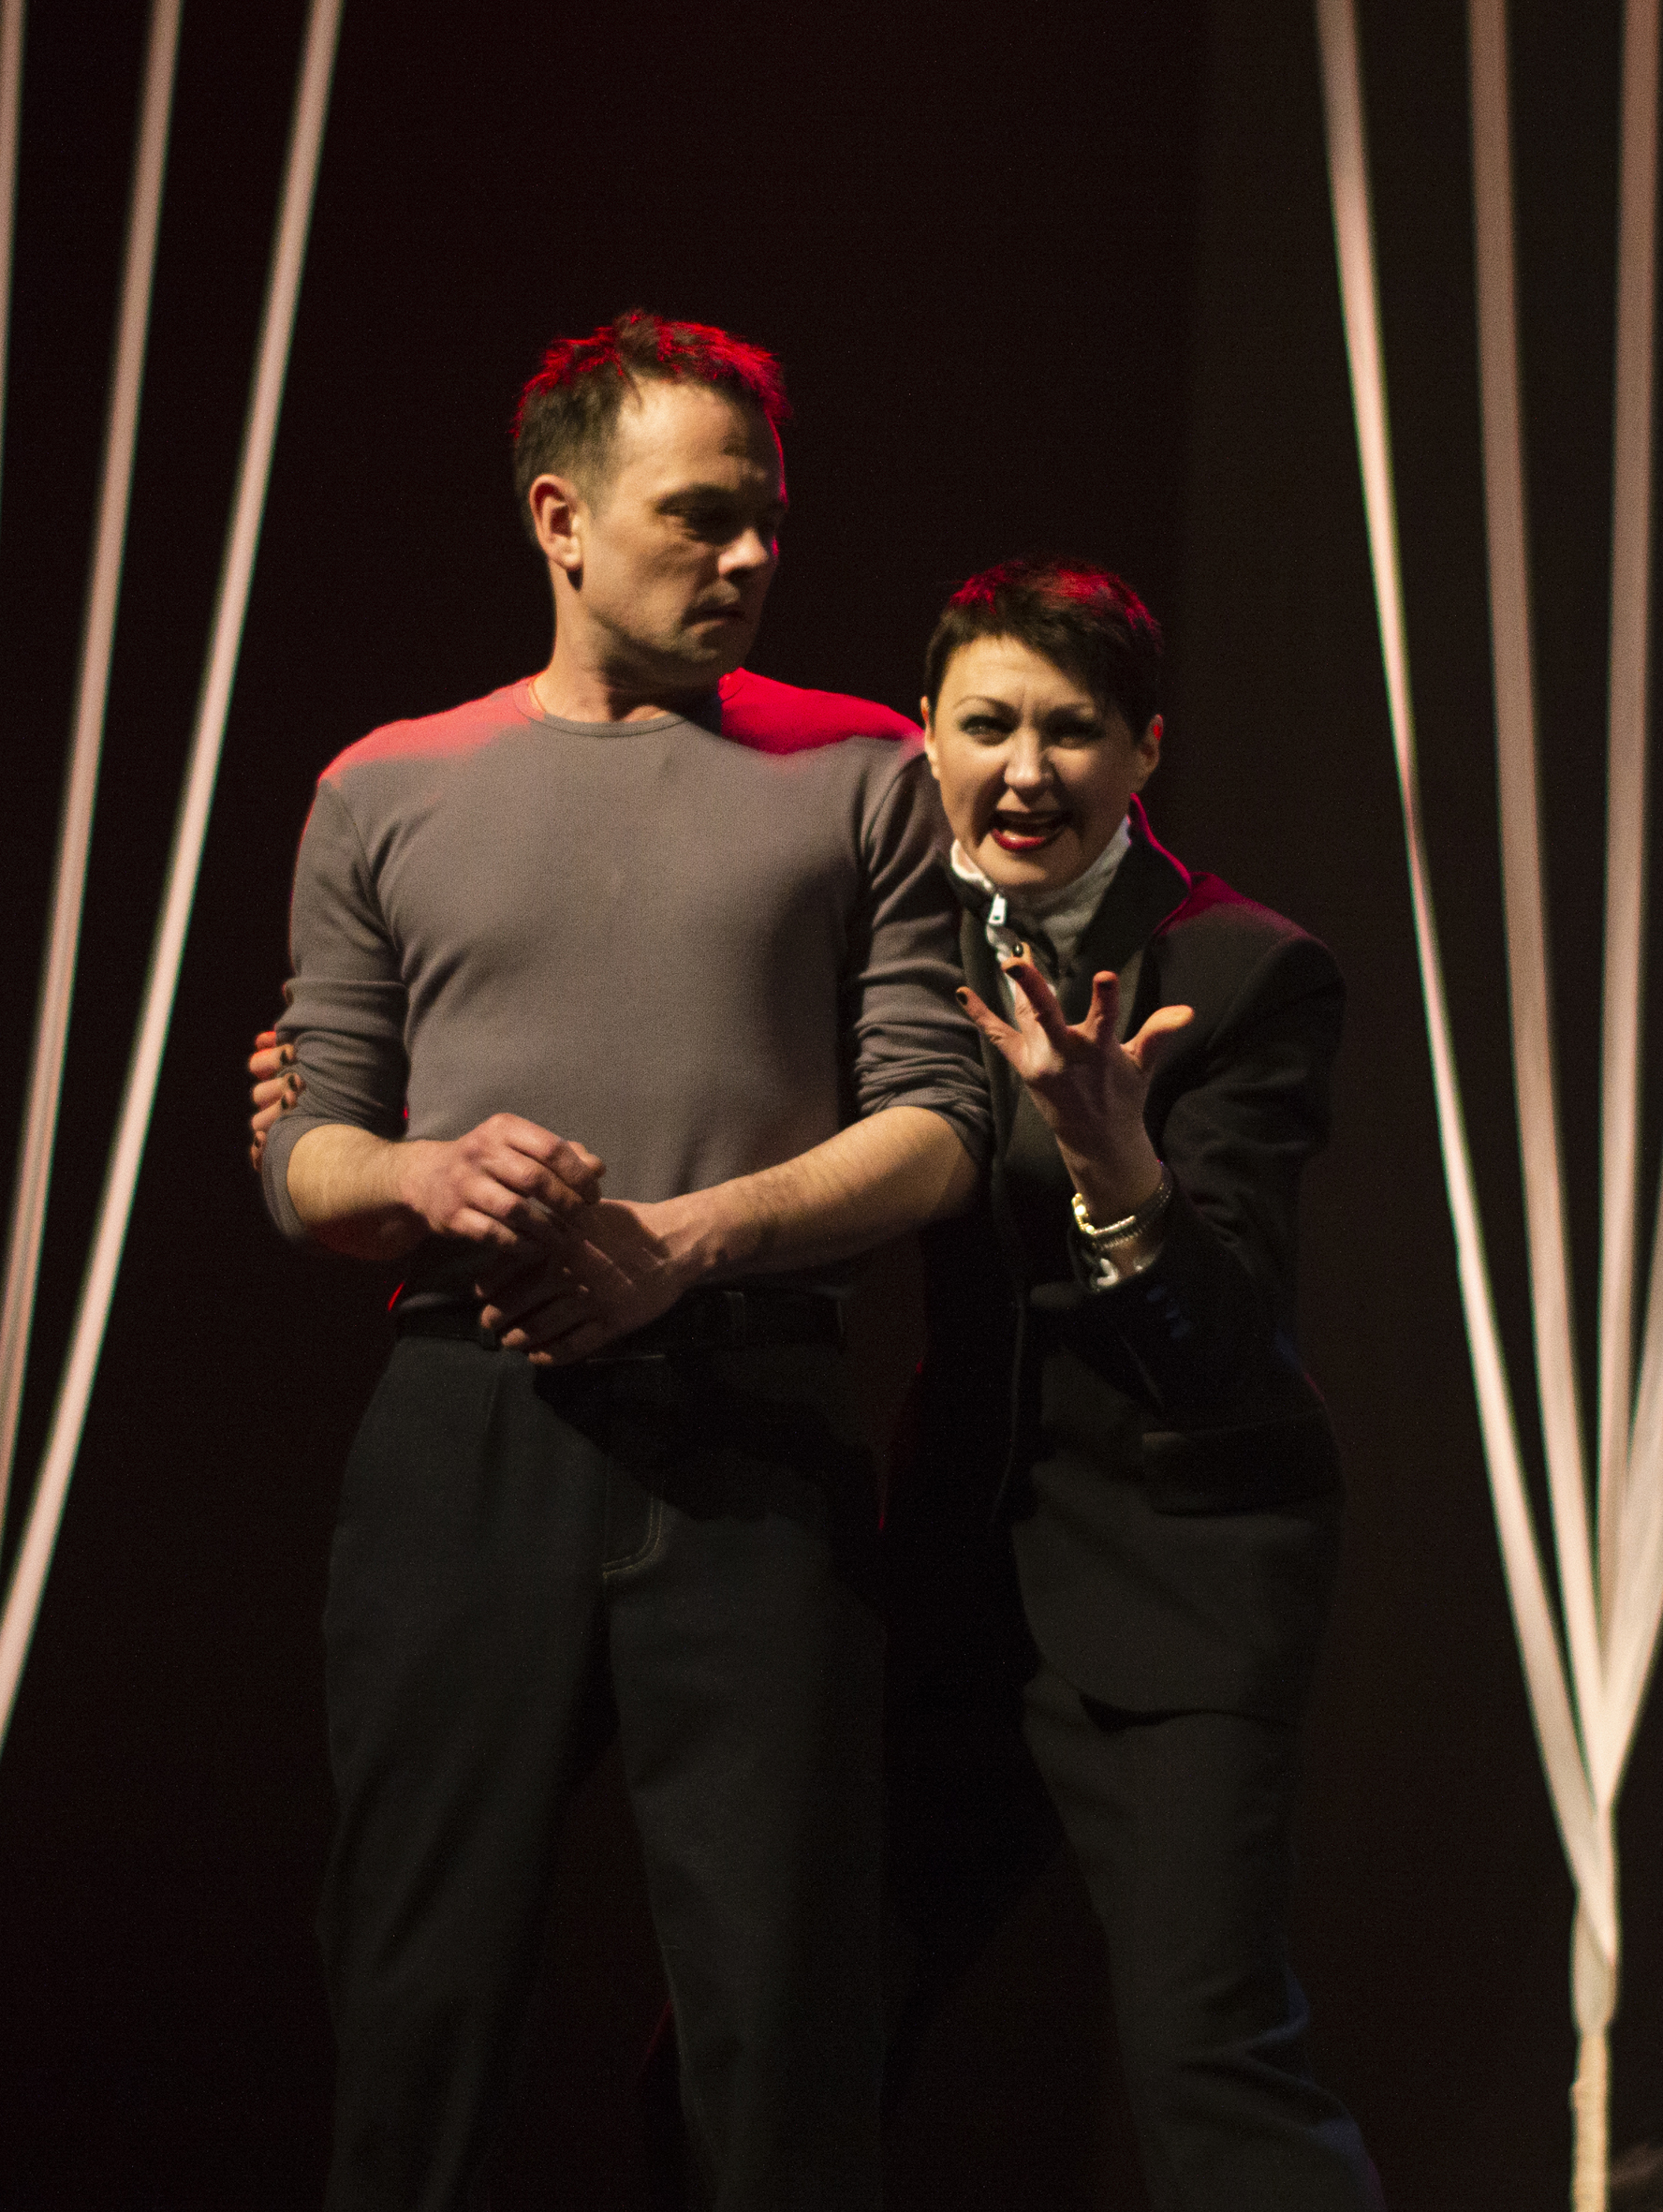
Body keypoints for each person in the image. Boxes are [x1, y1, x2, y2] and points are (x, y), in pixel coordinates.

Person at [257, 308, 990, 2212]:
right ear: (561, 519)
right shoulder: (385, 785)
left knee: (779, 2004)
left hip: (752, 1426)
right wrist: (427, 1172)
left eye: (766, 520)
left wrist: (686, 1235)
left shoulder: (861, 767)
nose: (747, 555)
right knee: (415, 1988)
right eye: (699, 515)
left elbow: (937, 1123)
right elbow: (305, 1150)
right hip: (466, 1427)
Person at [885, 557, 1385, 2207]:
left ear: (1145, 749)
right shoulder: (882, 930)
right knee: (767, 2044)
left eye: (1074, 730)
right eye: (989, 725)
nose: (1027, 769)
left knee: (1211, 2070)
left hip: (1178, 1578)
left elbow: (1222, 1348)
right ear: (927, 734)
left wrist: (1120, 1166)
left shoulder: (1242, 969)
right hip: (947, 1584)